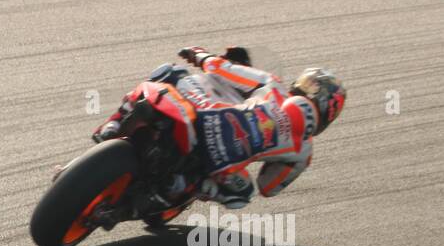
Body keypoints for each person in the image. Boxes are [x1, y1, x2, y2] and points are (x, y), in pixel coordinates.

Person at [95, 47, 345, 208]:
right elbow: (268, 187)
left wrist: (200, 55)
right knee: (243, 194)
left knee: (169, 72)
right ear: (329, 115)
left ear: (301, 84)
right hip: (223, 163)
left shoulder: (273, 85)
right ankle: (184, 186)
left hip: (202, 114)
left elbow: (221, 68)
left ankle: (115, 122)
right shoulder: (303, 152)